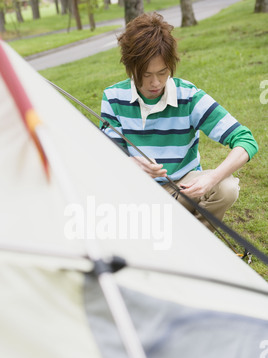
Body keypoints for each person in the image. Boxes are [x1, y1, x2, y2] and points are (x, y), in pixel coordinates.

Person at [100, 12, 258, 231]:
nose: (155, 82)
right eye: (145, 74)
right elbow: (105, 158)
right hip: (137, 197)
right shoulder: (113, 97)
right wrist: (132, 164)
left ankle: (195, 239)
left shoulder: (189, 97)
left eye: (162, 72)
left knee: (226, 188)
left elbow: (246, 141)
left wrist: (211, 178)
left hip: (182, 192)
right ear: (130, 67)